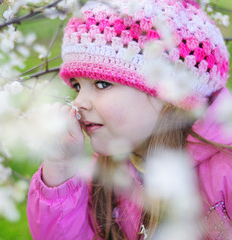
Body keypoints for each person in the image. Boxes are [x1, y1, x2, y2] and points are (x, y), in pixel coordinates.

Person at [27, 0, 232, 239]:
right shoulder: (102, 179)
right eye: (77, 87)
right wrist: (59, 168)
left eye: (102, 84)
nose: (80, 102)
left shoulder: (225, 169)